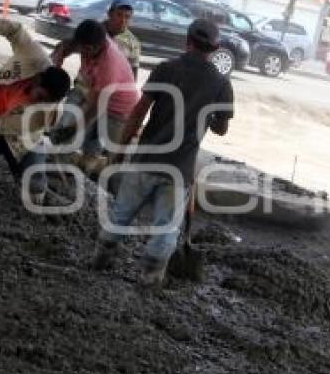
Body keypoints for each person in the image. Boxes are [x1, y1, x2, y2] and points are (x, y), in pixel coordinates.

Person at [94, 19, 234, 285]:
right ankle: (150, 276)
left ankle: (102, 259)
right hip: (178, 170)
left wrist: (121, 149)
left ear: (187, 41)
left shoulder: (166, 69)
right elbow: (221, 129)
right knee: (165, 228)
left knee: (121, 214)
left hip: (145, 160)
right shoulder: (221, 84)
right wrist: (210, 115)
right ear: (215, 49)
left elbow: (138, 111)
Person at [0, 15, 71, 201]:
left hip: (21, 138)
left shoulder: (42, 114)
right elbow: (15, 30)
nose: (39, 104)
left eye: (46, 102)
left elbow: (1, 125)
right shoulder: (33, 55)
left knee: (34, 187)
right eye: (40, 97)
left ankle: (40, 192)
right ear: (37, 79)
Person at [50, 19, 139, 160]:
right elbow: (65, 46)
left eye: (88, 50)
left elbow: (94, 109)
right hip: (93, 93)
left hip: (119, 110)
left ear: (99, 45)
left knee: (112, 154)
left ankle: (99, 172)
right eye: (82, 48)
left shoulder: (108, 65)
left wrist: (73, 129)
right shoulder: (85, 41)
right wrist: (57, 62)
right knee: (71, 127)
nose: (84, 53)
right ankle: (60, 163)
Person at [52, 0, 142, 78]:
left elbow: (133, 74)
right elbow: (64, 47)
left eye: (127, 17)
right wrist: (55, 70)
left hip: (109, 91)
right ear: (110, 14)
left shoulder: (133, 43)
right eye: (119, 15)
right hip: (83, 86)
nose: (123, 21)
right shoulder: (93, 30)